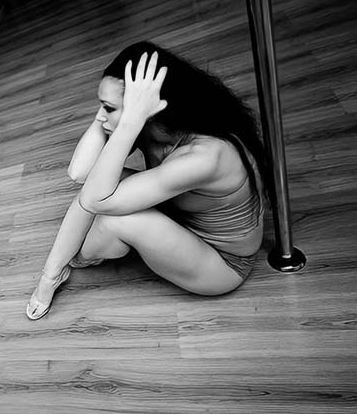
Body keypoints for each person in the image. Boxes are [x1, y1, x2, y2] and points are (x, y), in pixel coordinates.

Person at [26, 41, 268, 320]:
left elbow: (94, 199)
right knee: (101, 185)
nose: (100, 116)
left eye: (108, 107)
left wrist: (129, 121)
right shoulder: (154, 126)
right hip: (183, 221)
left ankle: (78, 259)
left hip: (223, 264)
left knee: (112, 219)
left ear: (148, 109)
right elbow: (79, 172)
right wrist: (114, 117)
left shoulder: (206, 155)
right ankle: (52, 275)